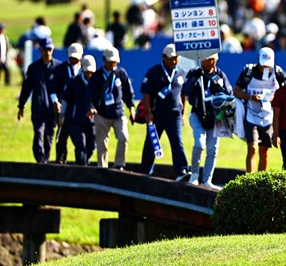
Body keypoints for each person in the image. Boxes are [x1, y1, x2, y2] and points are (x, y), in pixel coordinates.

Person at [182, 53, 233, 189]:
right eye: (209, 59)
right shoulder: (194, 72)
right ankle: (194, 175)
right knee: (199, 144)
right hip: (198, 115)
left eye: (214, 59)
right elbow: (185, 91)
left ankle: (207, 180)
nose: (212, 63)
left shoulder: (220, 74)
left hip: (216, 117)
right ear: (202, 59)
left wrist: (220, 87)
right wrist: (195, 79)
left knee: (213, 149)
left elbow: (229, 92)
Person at [140, 44, 190, 180]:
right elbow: (146, 92)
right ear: (163, 57)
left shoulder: (181, 72)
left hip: (175, 115)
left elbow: (183, 94)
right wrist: (148, 112)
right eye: (171, 58)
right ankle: (145, 172)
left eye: (176, 58)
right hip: (157, 115)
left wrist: (183, 113)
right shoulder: (154, 71)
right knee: (152, 142)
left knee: (177, 141)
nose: (174, 61)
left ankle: (182, 171)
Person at [233, 47, 286, 173]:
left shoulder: (278, 72)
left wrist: (274, 98)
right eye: (263, 65)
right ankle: (249, 179)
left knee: (264, 151)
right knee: (252, 148)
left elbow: (283, 93)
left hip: (268, 117)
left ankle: (260, 181)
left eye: (268, 65)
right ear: (258, 60)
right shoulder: (248, 71)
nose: (266, 68)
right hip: (251, 115)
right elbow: (237, 91)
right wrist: (250, 97)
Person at [86, 47, 135, 169]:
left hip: (118, 113)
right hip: (101, 114)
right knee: (102, 143)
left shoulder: (121, 73)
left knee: (123, 137)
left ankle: (119, 165)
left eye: (115, 61)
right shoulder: (96, 76)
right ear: (104, 60)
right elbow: (90, 94)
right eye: (110, 61)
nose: (113, 64)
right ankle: (102, 167)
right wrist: (91, 107)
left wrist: (132, 108)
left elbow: (128, 93)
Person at [18, 38, 62, 163]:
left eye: (49, 49)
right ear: (40, 50)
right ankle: (40, 159)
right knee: (38, 133)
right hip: (38, 108)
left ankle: (45, 160)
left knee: (49, 136)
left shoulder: (59, 67)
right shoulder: (33, 68)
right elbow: (26, 88)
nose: (47, 52)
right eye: (45, 49)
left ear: (52, 49)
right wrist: (21, 106)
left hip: (53, 109)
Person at [49, 42, 83, 163]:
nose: (73, 60)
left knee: (80, 139)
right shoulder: (60, 69)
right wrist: (55, 102)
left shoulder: (85, 69)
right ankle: (60, 161)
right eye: (71, 57)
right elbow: (52, 88)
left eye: (76, 57)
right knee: (62, 136)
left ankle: (81, 163)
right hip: (64, 106)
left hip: (80, 108)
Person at [60, 55, 97, 165]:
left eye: (91, 72)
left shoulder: (97, 82)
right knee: (81, 145)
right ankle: (81, 169)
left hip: (92, 122)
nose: (89, 75)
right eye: (87, 72)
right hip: (76, 120)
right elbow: (65, 99)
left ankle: (84, 163)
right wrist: (62, 115)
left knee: (91, 146)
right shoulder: (74, 81)